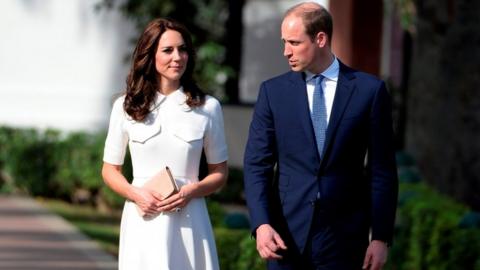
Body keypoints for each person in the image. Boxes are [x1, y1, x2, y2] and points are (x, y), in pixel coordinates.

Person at [243, 2, 398, 270]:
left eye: (294, 42)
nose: (285, 52)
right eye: (284, 42)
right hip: (284, 237)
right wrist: (261, 223)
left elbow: (381, 169)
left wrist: (381, 236)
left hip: (345, 239)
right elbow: (257, 164)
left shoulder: (369, 92)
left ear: (321, 39)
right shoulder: (273, 93)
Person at [102, 18, 228, 270]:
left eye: (182, 50)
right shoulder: (125, 107)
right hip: (143, 219)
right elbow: (109, 170)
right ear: (150, 55)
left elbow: (220, 172)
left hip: (190, 219)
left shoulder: (208, 107)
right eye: (168, 50)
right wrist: (135, 194)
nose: (177, 57)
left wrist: (191, 191)